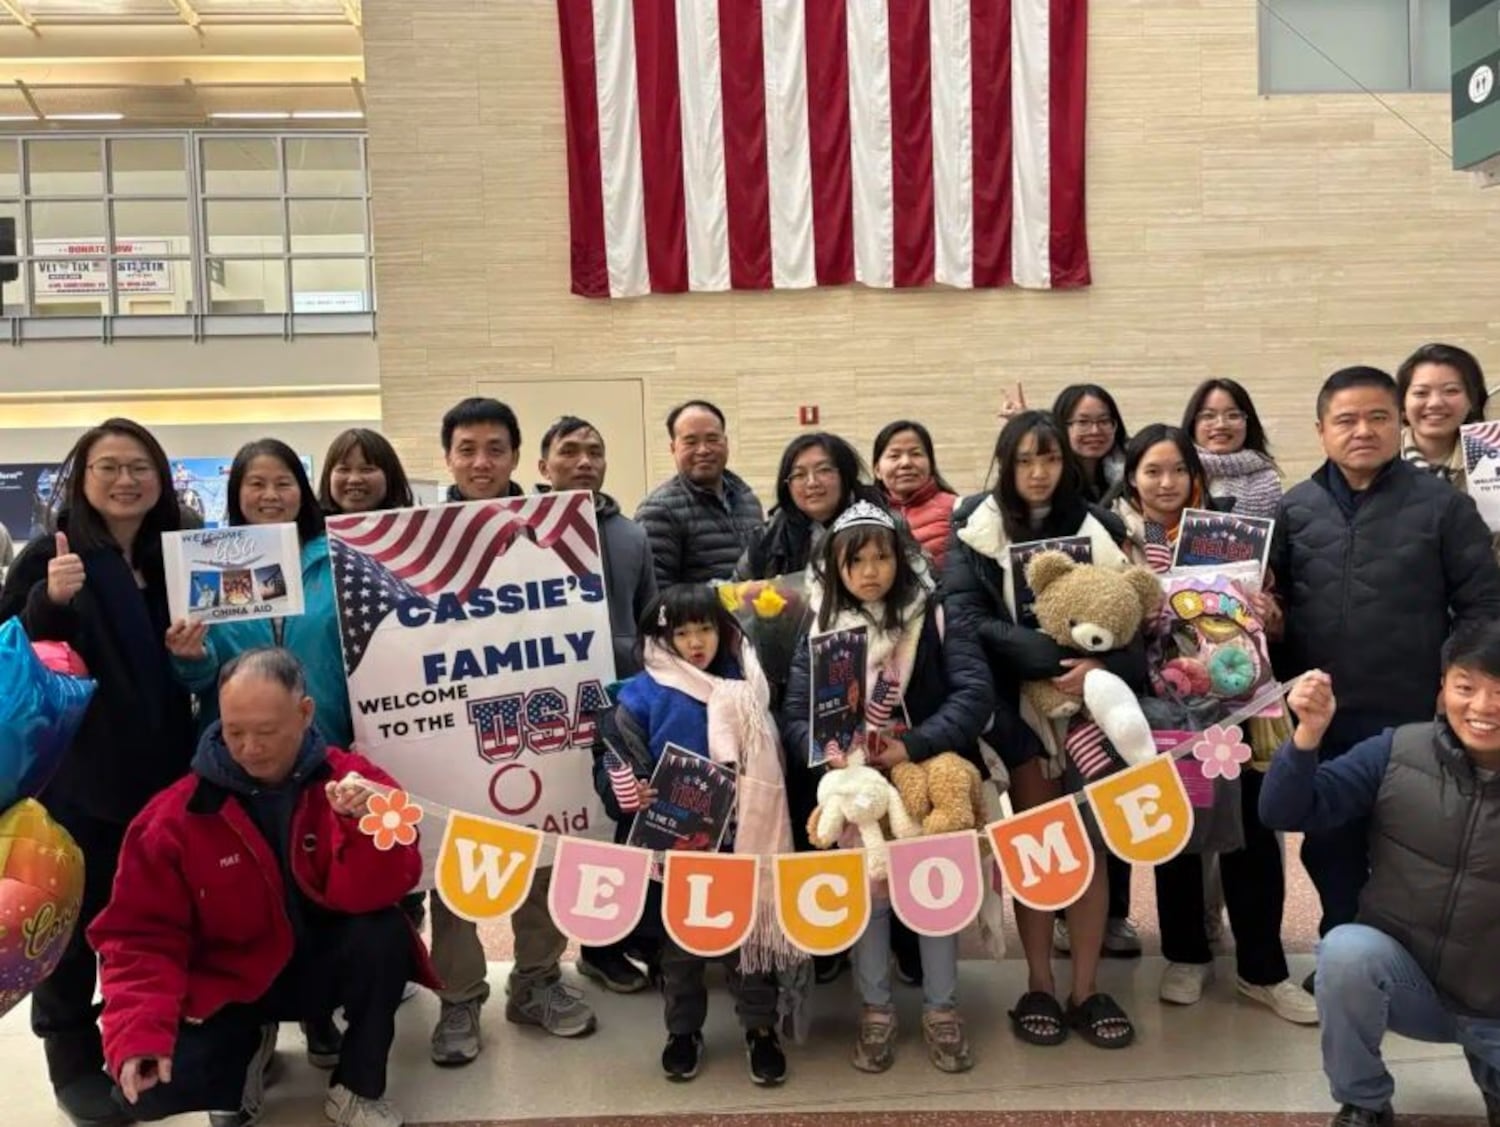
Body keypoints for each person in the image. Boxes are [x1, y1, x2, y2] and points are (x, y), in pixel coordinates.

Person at [88, 648, 435, 1127]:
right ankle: (247, 1053)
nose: (250, 747)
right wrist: (136, 1035)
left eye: (266, 731)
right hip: (233, 979)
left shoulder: (358, 783)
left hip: (325, 963)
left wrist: (361, 825)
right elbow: (138, 936)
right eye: (235, 731)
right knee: (149, 1089)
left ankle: (358, 1085)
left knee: (384, 935)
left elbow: (389, 884)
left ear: (305, 712)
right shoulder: (170, 819)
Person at [0, 418, 195, 1127]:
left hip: (165, 774)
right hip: (77, 779)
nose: (125, 480)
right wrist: (48, 599)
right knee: (75, 925)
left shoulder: (175, 555)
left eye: (140, 466)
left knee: (145, 919)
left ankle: (136, 1045)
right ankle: (71, 1061)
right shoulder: (51, 553)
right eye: (108, 466)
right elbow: (9, 641)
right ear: (81, 477)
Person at [1269, 366, 1500, 943]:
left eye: (1378, 417)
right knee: (1330, 850)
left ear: (1399, 423)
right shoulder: (1293, 510)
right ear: (1320, 429)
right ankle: (1343, 950)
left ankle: (1417, 961)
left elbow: (1482, 606)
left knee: (1415, 846)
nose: (1363, 431)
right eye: (1345, 420)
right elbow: (1271, 609)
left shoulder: (1443, 507)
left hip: (1414, 717)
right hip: (1325, 716)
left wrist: (1453, 687)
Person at [944, 411, 1146, 1050]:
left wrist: (1102, 663)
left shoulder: (1102, 529)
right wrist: (1032, 655)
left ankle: (1085, 988)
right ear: (1006, 464)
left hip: (1093, 715)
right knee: (1038, 847)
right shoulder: (974, 532)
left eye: (1050, 459)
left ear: (1067, 464)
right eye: (1025, 460)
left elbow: (1137, 617)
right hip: (1016, 717)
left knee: (1089, 849)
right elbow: (965, 620)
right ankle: (1036, 981)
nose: (1038, 472)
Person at [1109, 425, 1313, 1025]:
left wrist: (1268, 613)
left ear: (1194, 476)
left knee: (1251, 833)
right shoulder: (1119, 543)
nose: (1166, 483)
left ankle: (1262, 967)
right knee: (1179, 829)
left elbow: (1273, 619)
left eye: (1176, 470)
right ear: (1133, 480)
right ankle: (1185, 955)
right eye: (1152, 471)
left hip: (1245, 706)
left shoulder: (1228, 534)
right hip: (1168, 711)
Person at [782, 501, 993, 1074]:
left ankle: (943, 1009)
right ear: (836, 568)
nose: (871, 571)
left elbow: (973, 694)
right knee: (871, 898)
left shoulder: (935, 614)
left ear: (901, 559)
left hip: (930, 777)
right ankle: (875, 1010)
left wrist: (913, 744)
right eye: (857, 561)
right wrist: (828, 750)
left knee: (935, 894)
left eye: (882, 557)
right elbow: (797, 711)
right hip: (857, 785)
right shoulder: (821, 626)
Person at [1261, 623, 1500, 1127]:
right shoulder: (1396, 752)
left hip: (1494, 1000)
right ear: (1442, 688)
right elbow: (1285, 809)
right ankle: (1363, 1102)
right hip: (1410, 983)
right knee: (1347, 951)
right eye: (1466, 686)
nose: (1482, 707)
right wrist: (1308, 734)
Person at [427, 396, 596, 1066]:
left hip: (539, 720)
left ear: (517, 456)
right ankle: (459, 999)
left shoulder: (550, 530)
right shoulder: (420, 532)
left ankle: (535, 981)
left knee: (542, 856)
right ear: (447, 456)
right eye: (466, 448)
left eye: (495, 448)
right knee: (454, 866)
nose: (481, 461)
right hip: (444, 732)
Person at [596, 585, 794, 1085]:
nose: (695, 642)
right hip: (676, 846)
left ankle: (760, 1027)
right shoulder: (643, 693)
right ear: (662, 639)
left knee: (749, 943)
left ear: (723, 629)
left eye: (704, 628)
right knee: (680, 947)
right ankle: (683, 1030)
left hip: (743, 838)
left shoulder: (747, 681)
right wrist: (628, 790)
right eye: (680, 633)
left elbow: (777, 753)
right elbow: (615, 759)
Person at [537, 415, 658, 994]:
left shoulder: (633, 535)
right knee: (560, 826)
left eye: (595, 450)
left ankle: (606, 944)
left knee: (616, 821)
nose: (584, 461)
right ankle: (554, 955)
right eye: (569, 452)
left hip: (617, 707)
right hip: (540, 707)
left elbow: (649, 617)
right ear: (543, 467)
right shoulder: (517, 531)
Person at [635, 400, 765, 586]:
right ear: (673, 448)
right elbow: (657, 595)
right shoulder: (657, 511)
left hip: (753, 614)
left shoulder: (748, 500)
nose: (703, 450)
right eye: (691, 442)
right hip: (697, 616)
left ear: (726, 443)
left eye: (712, 439)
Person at [733, 433, 883, 582]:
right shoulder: (770, 537)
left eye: (824, 470)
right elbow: (736, 592)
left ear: (845, 475)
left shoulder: (882, 525)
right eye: (799, 475)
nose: (812, 483)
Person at [1183, 378, 1282, 521]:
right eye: (1208, 416)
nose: (1221, 425)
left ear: (1248, 423)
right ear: (1193, 424)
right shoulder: (1175, 472)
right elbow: (1153, 519)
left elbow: (1278, 540)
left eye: (1233, 415)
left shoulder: (1269, 482)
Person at [1396, 342, 1488, 490]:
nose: (1435, 403)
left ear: (1473, 399)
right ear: (1402, 402)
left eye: (1451, 391)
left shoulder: (1492, 455)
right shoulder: (1378, 457)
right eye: (1421, 393)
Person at [872, 420, 959, 569]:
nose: (906, 463)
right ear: (877, 470)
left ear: (931, 465)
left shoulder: (958, 509)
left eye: (916, 454)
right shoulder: (865, 515)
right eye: (894, 456)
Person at [1053, 384, 1131, 503]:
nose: (1095, 431)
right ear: (1061, 426)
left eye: (1104, 421)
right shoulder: (1052, 479)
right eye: (1083, 422)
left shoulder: (1131, 473)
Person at [318, 428, 416, 514]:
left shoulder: (416, 530)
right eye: (344, 470)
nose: (354, 479)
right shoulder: (310, 533)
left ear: (390, 476)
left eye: (367, 469)